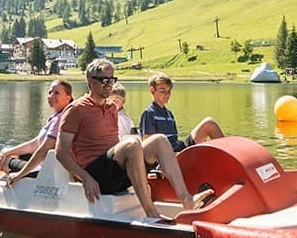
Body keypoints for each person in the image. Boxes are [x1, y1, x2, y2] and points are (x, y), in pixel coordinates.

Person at [54, 59, 208, 219]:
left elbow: (113, 147)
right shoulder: (76, 109)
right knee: (133, 143)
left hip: (113, 172)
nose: (109, 84)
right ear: (90, 81)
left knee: (160, 140)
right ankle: (151, 213)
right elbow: (61, 152)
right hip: (95, 174)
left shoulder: (111, 108)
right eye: (104, 80)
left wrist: (139, 177)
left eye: (112, 80)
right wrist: (85, 178)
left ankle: (187, 200)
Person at [0, 79, 73, 178]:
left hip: (47, 173)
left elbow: (42, 151)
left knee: (4, 160)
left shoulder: (60, 119)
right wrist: (8, 151)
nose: (51, 96)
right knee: (10, 154)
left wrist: (19, 173)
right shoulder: (58, 116)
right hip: (47, 167)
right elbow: (35, 144)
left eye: (56, 93)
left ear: (68, 98)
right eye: (50, 92)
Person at [138, 72, 225, 153]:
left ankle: (228, 156)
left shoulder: (169, 114)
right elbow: (147, 144)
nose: (167, 94)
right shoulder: (149, 113)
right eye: (162, 90)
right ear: (152, 91)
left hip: (179, 148)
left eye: (169, 91)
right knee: (208, 123)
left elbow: (174, 139)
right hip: (169, 156)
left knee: (210, 125)